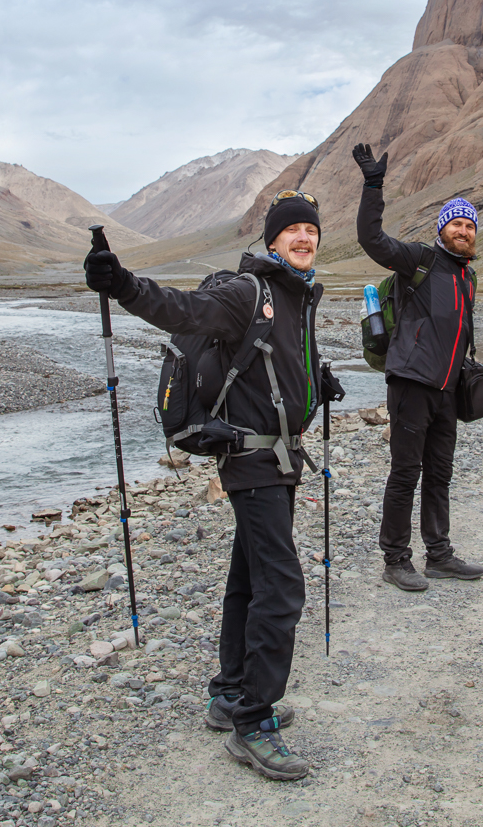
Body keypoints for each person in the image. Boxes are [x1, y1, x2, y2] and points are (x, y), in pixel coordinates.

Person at [83, 190, 342, 781]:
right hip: (253, 461)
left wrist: (314, 383)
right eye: (293, 230)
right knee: (282, 588)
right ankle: (254, 722)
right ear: (271, 240)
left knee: (249, 579)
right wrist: (121, 284)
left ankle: (230, 693)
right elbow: (182, 310)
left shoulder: (298, 295)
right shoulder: (248, 292)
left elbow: (276, 364)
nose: (304, 238)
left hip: (280, 460)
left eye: (311, 230)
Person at [351, 142, 483, 593]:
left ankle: (439, 555)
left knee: (440, 473)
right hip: (411, 384)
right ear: (442, 228)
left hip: (447, 390)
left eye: (469, 225)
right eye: (456, 223)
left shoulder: (467, 276)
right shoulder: (420, 261)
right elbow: (372, 240)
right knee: (406, 473)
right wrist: (374, 185)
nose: (463, 230)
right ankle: (395, 559)